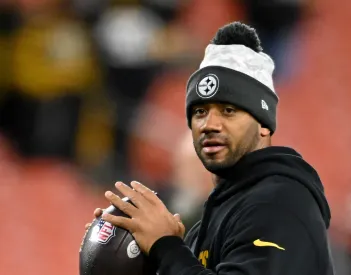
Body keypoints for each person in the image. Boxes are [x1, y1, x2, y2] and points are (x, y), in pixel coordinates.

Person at [86, 22, 335, 275]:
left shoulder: (280, 202)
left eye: (228, 111)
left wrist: (166, 247)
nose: (209, 125)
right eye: (200, 112)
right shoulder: (210, 221)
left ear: (263, 125)